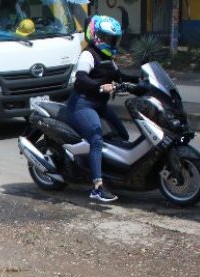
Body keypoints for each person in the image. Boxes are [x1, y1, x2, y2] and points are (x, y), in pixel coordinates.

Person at [66, 15, 138, 203]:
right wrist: (100, 87)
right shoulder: (88, 55)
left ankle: (112, 173)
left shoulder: (108, 57)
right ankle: (97, 187)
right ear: (96, 36)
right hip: (82, 105)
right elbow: (81, 79)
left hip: (99, 105)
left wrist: (142, 81)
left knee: (122, 135)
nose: (110, 42)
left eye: (113, 38)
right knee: (96, 138)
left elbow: (120, 77)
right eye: (107, 37)